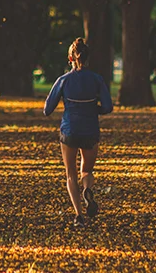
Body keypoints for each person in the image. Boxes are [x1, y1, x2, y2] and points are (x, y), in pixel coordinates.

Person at [44, 37, 113, 228]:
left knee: (70, 174)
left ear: (70, 58)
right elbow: (107, 107)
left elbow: (47, 109)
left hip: (69, 130)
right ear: (88, 58)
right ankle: (88, 190)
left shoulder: (63, 80)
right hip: (90, 130)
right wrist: (93, 109)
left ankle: (79, 216)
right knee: (87, 170)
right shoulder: (97, 79)